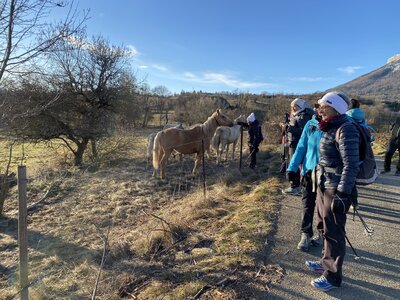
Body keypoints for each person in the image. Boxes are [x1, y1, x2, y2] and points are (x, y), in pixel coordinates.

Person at [305, 91, 359, 292]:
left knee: (335, 231)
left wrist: (343, 194)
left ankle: (333, 277)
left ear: (335, 108)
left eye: (323, 107)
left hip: (335, 188)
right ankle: (324, 262)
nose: (319, 110)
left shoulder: (346, 129)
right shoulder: (329, 125)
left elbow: (351, 164)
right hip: (323, 183)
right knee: (324, 226)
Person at [286, 104, 323, 251]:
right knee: (307, 205)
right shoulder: (310, 124)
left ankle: (322, 234)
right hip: (309, 172)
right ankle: (305, 234)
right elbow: (301, 147)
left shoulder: (337, 126)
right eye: (319, 107)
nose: (320, 110)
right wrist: (292, 167)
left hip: (327, 174)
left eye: (323, 107)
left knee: (323, 207)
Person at [282, 98, 314, 195]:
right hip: (294, 142)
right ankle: (298, 185)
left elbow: (302, 132)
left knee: (294, 163)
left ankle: (295, 187)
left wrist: (288, 128)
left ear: (296, 107)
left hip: (297, 143)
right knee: (295, 163)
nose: (291, 108)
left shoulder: (303, 116)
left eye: (292, 106)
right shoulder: (300, 115)